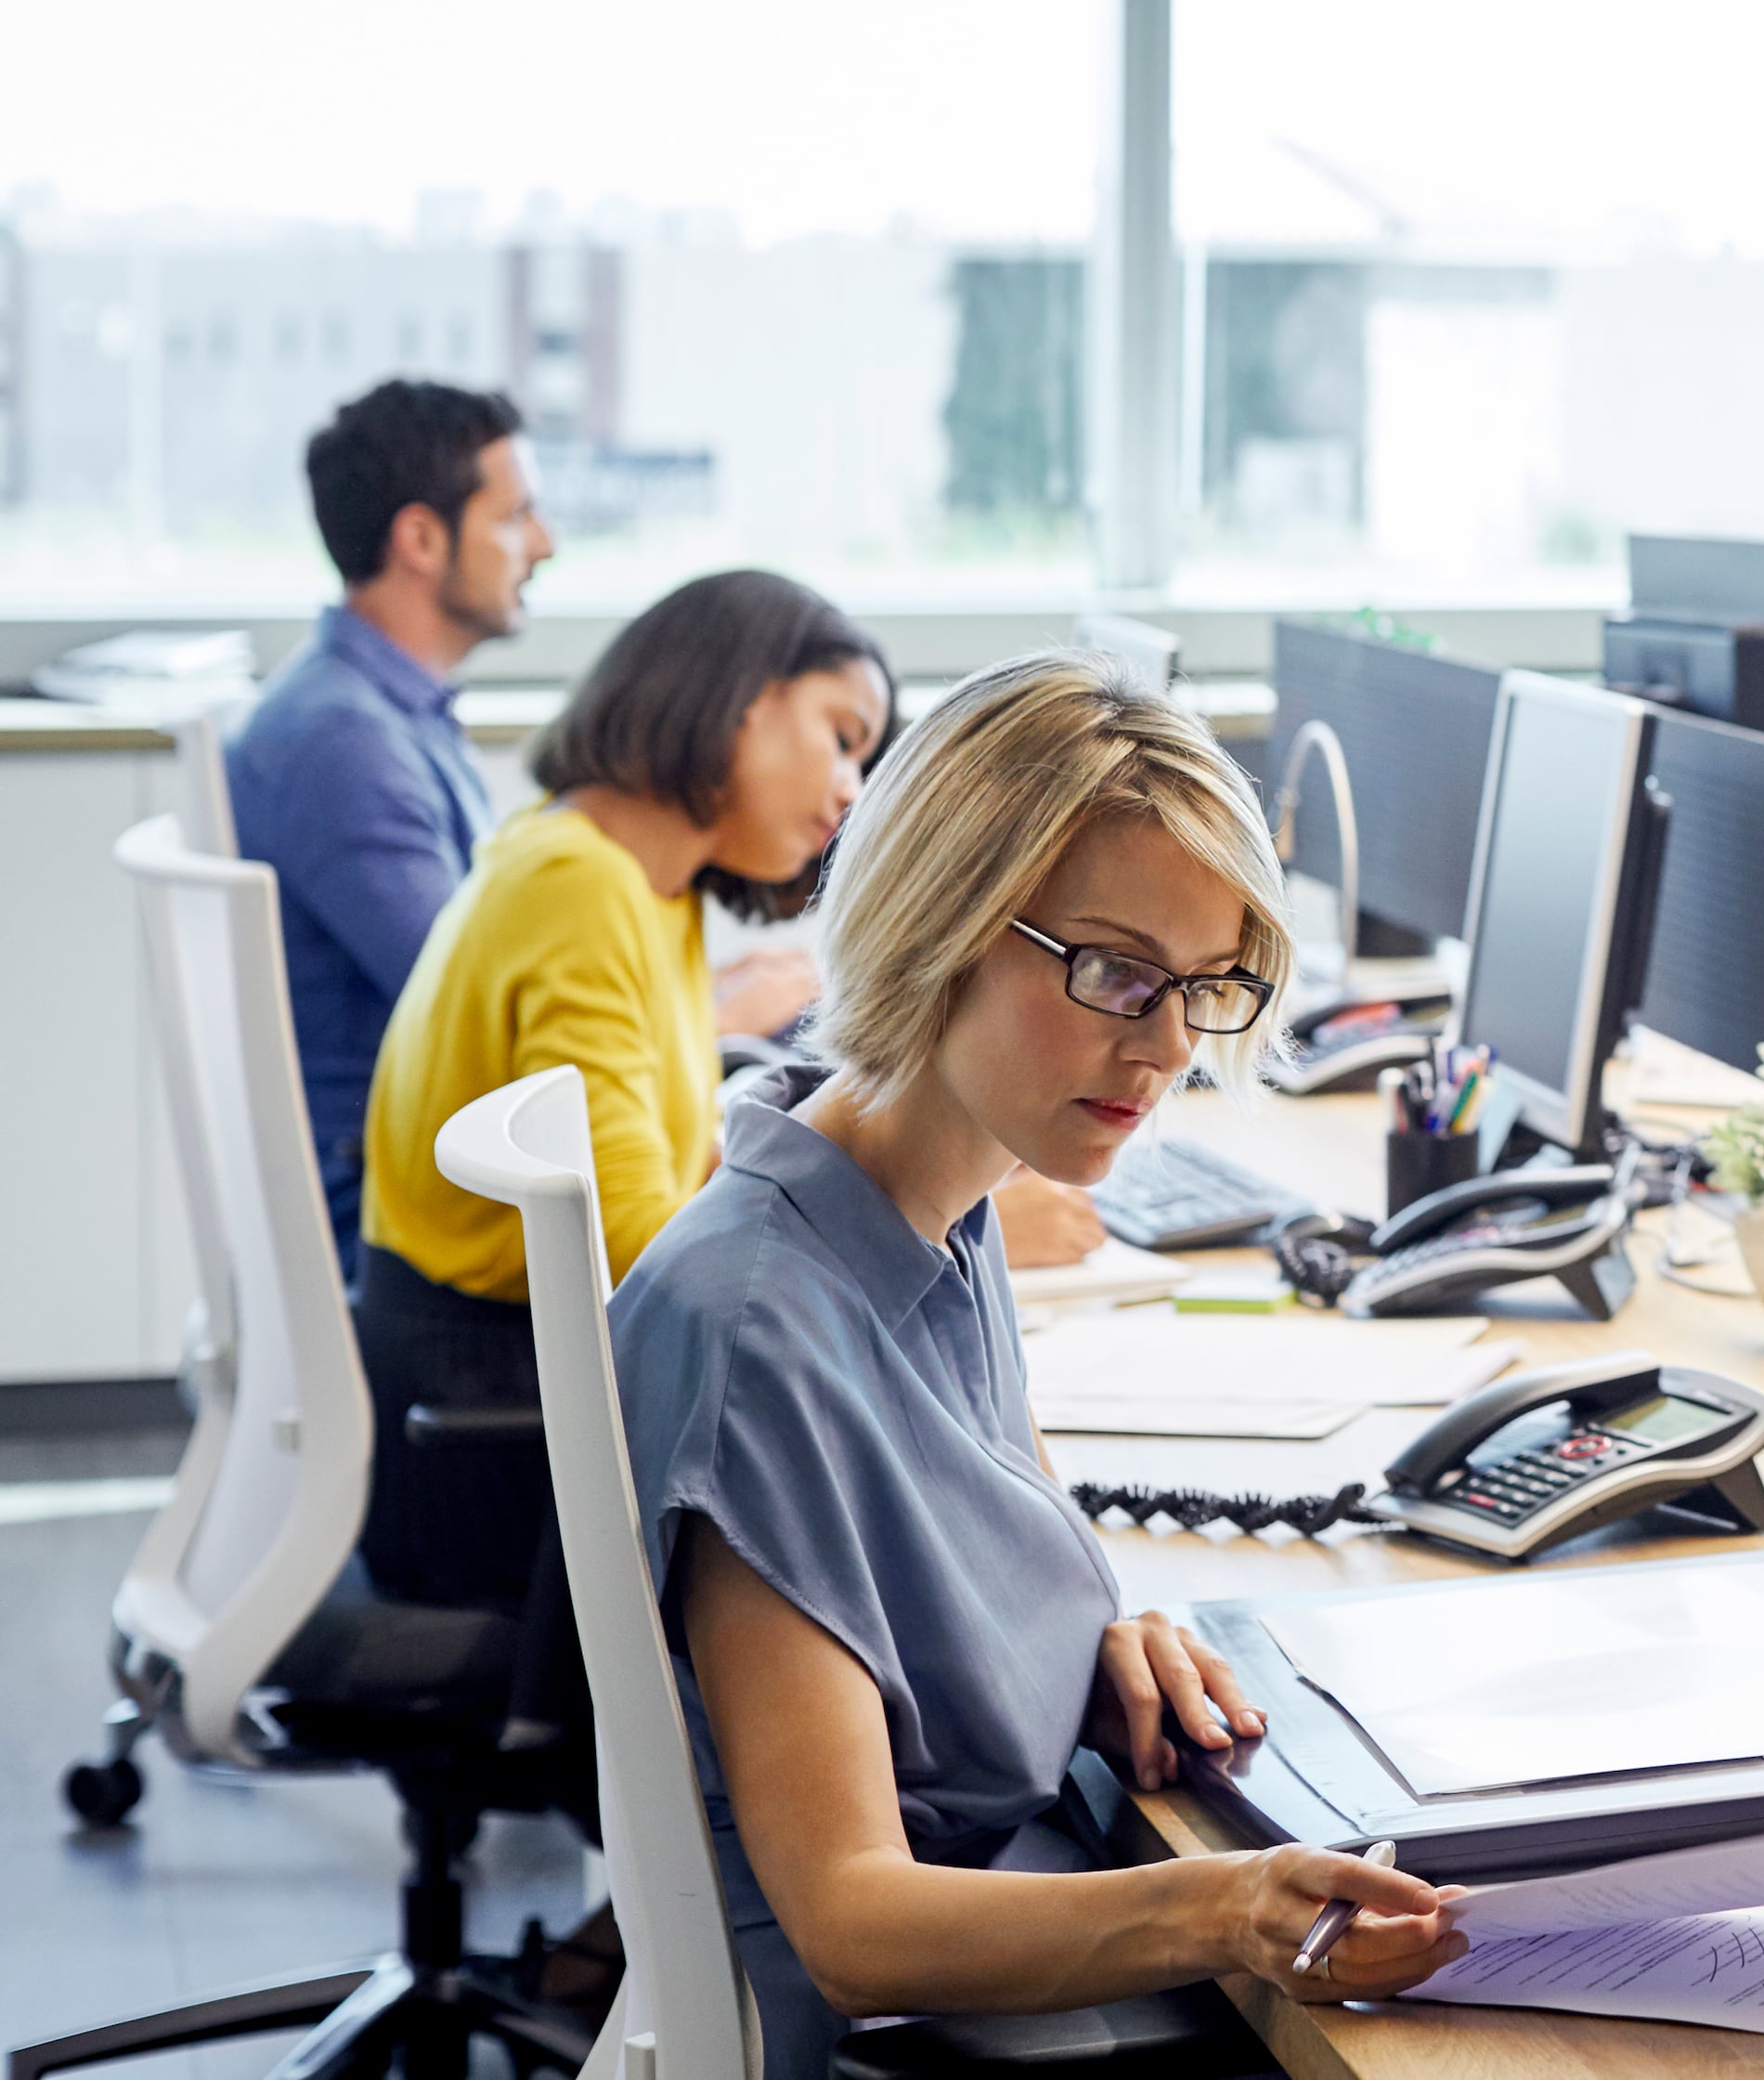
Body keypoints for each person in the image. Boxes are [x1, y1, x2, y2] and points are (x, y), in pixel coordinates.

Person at [616, 653, 1462, 2064]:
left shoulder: (939, 1193)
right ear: (938, 920)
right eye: (1118, 973)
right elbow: (853, 1918)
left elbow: (969, 1545)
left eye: (1206, 985)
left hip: (1013, 1904)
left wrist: (1093, 1630)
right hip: (897, 2024)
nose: (1168, 1046)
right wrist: (1229, 1908)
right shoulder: (757, 1326)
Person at [352, 570, 893, 1638]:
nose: (849, 791)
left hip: (513, 1393)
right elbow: (642, 1255)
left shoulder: (640, 884)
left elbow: (672, 1173)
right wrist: (898, 1225)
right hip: (485, 1438)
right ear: (741, 695)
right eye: (840, 737)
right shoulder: (580, 886)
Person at [227, 380, 553, 1264]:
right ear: (419, 537)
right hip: (389, 1223)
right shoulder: (345, 741)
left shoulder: (378, 711)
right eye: (516, 515)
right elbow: (477, 1011)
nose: (544, 544)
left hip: (408, 1175)